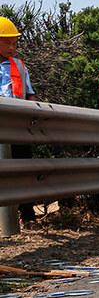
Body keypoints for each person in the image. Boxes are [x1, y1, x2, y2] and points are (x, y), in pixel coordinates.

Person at [0, 17, 40, 228]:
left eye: (15, 42)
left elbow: (29, 94)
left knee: (23, 171)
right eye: (7, 42)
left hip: (16, 128)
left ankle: (28, 216)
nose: (12, 47)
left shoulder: (19, 65)